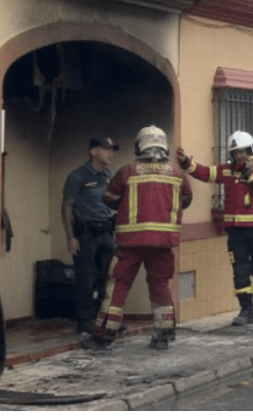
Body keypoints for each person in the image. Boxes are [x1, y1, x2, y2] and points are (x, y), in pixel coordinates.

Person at [86, 125, 192, 350]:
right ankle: (162, 334)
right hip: (163, 243)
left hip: (130, 243)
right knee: (160, 285)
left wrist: (123, 204)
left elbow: (108, 197)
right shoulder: (176, 173)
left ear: (139, 146)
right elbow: (187, 200)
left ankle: (105, 335)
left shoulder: (128, 171)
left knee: (118, 285)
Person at [177, 131, 253, 326]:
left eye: (243, 151)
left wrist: (250, 174)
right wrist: (186, 163)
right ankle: (245, 310)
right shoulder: (227, 171)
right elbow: (206, 173)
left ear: (251, 150)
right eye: (236, 152)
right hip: (236, 231)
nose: (239, 156)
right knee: (240, 271)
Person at [60, 136, 118, 335]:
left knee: (105, 278)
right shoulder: (78, 176)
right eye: (106, 149)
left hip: (105, 232)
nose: (110, 154)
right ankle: (85, 322)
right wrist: (70, 237)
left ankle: (100, 319)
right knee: (86, 278)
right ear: (94, 152)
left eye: (112, 150)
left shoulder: (107, 175)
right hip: (85, 234)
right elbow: (66, 207)